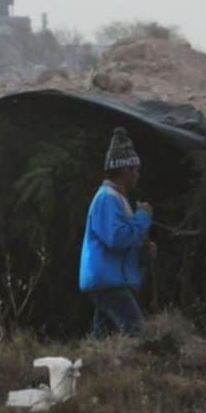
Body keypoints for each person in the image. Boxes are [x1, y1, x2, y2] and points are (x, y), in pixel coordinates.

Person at [79, 127, 153, 338]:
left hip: (108, 280)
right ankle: (133, 370)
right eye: (136, 170)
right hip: (109, 282)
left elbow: (120, 242)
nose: (138, 175)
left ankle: (92, 370)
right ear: (125, 170)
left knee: (102, 338)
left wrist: (143, 252)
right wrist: (143, 217)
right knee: (136, 332)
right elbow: (116, 238)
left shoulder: (116, 198)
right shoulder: (107, 198)